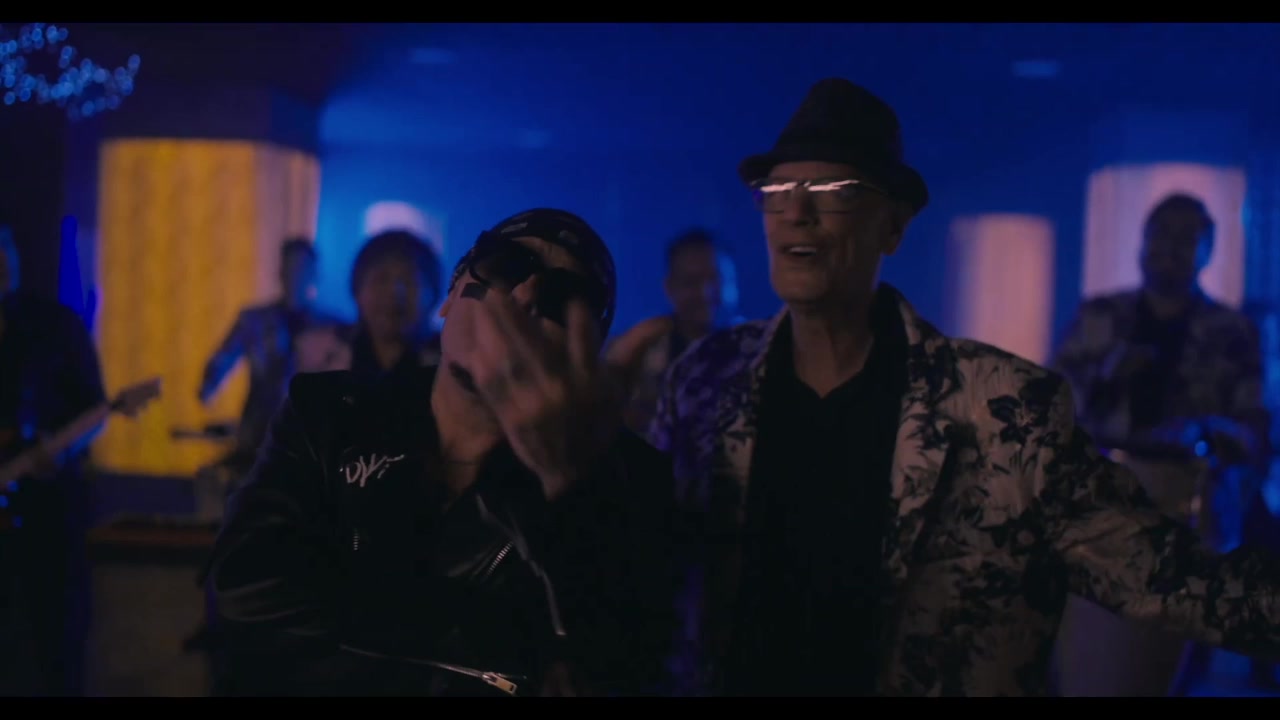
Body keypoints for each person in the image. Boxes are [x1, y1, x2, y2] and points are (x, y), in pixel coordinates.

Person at [648, 77, 1280, 697]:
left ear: (892, 226)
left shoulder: (1002, 410)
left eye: (832, 191)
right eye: (778, 190)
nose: (796, 213)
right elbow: (643, 565)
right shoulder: (706, 381)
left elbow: (1161, 573)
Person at [203, 209, 679, 696]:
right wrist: (487, 644)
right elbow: (242, 590)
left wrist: (570, 488)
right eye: (503, 266)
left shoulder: (628, 480)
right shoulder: (328, 416)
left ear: (586, 348)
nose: (523, 298)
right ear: (452, 295)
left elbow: (618, 666)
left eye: (563, 297)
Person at [1051, 194, 1270, 695]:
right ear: (1143, 242)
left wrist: (1205, 430)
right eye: (1161, 235)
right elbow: (1051, 400)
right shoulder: (1100, 317)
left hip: (1192, 513)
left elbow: (1254, 429)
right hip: (1098, 504)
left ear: (1207, 250)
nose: (1169, 248)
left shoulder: (1233, 332)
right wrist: (1106, 375)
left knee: (1172, 661)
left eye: (1185, 238)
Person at [0, 226, 106, 696]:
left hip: (49, 514)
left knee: (56, 646)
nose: (1, 260)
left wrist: (59, 449)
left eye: (5, 247)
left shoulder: (55, 326)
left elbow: (96, 410)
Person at [198, 238, 344, 475]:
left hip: (311, 437)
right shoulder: (254, 321)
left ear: (314, 275)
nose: (294, 276)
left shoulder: (332, 327)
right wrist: (209, 384)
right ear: (280, 272)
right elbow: (223, 358)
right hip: (259, 432)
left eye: (301, 269)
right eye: (289, 268)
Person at [615, 228, 743, 435]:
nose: (704, 293)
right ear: (670, 287)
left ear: (734, 283)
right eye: (690, 282)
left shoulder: (757, 348)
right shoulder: (640, 347)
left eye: (714, 279)